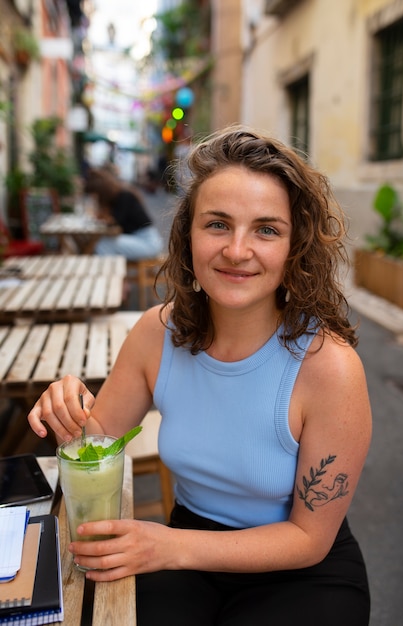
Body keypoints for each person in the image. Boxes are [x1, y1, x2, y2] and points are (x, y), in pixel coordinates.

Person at [28, 126, 372, 626]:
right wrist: (64, 404)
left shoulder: (330, 368)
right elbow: (92, 443)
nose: (236, 250)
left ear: (295, 247)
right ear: (187, 236)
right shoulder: (156, 333)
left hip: (300, 571)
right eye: (217, 224)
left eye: (266, 229)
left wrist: (168, 546)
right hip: (181, 553)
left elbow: (308, 539)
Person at [83, 167, 163, 260]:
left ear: (102, 192)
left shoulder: (124, 197)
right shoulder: (120, 197)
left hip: (148, 242)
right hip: (138, 239)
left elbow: (113, 222)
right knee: (102, 242)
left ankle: (109, 272)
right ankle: (111, 271)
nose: (96, 200)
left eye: (96, 196)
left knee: (103, 244)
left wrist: (100, 214)